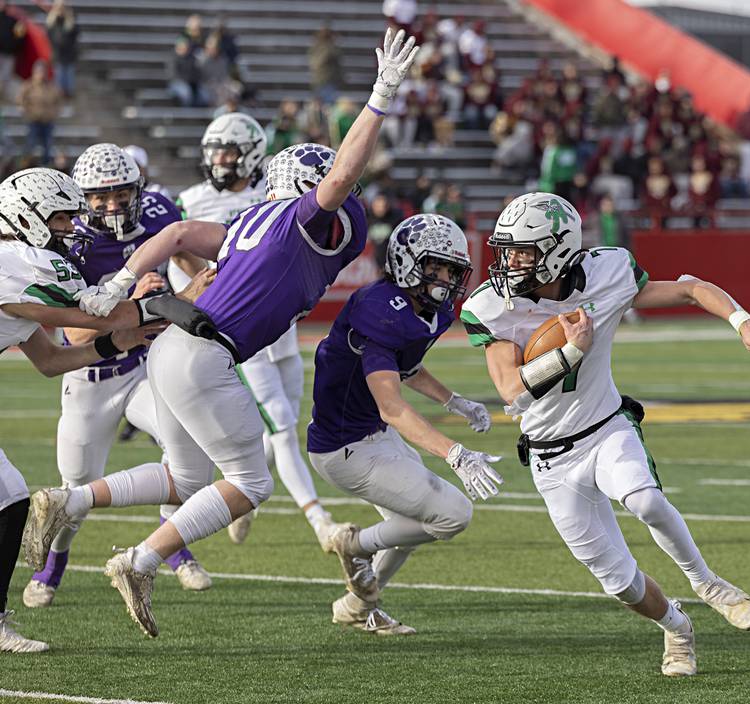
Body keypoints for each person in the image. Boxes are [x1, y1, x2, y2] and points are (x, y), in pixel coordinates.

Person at [23, 27, 420, 639]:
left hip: (173, 348)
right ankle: (141, 560)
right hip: (204, 354)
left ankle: (69, 501)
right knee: (251, 481)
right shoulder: (297, 221)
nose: (347, 199)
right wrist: (381, 95)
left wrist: (121, 282)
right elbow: (340, 177)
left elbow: (179, 238)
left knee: (186, 479)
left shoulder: (249, 223)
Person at [460, 191, 750, 676]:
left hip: (606, 427)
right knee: (623, 586)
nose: (510, 262)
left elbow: (690, 288)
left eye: (524, 252)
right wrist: (571, 352)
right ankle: (677, 627)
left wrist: (742, 320)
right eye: (508, 250)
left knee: (645, 500)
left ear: (560, 249)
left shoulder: (607, 273)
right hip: (550, 459)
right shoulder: (492, 306)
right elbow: (510, 389)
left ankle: (706, 581)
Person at [21, 143, 213, 609]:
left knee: (185, 453)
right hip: (91, 374)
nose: (111, 205)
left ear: (138, 188)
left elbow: (186, 254)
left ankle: (173, 549)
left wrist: (190, 283)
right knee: (74, 490)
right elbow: (71, 327)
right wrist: (141, 305)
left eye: (121, 193)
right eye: (99, 197)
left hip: (145, 366)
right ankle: (53, 567)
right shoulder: (69, 241)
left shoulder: (158, 211)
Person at [307, 214, 500, 634]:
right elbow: (392, 405)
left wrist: (454, 401)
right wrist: (456, 453)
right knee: (451, 514)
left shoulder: (425, 308)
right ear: (411, 263)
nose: (449, 279)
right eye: (440, 267)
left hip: (373, 435)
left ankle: (359, 607)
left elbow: (405, 367)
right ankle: (352, 546)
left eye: (454, 269)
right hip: (346, 448)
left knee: (407, 525)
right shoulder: (380, 310)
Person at [0, 167, 162, 652]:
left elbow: (52, 361)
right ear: (27, 218)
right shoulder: (17, 259)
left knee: (10, 500)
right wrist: (177, 300)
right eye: (62, 218)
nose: (72, 228)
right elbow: (101, 312)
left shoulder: (15, 275)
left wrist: (119, 342)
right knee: (9, 500)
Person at [168, 112, 337, 549]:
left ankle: (247, 498)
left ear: (251, 154)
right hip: (241, 326)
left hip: (282, 326)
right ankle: (320, 521)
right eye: (215, 152)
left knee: (281, 425)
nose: (220, 160)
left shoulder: (277, 188)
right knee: (280, 424)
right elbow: (180, 249)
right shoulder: (190, 199)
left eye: (228, 151)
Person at [17, 59, 62, 165]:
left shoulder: (51, 86)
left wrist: (54, 113)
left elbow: (58, 101)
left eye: (42, 71)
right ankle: (25, 165)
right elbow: (20, 99)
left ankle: (46, 166)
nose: (41, 74)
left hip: (47, 121)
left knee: (47, 146)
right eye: (38, 71)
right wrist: (26, 110)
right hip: (33, 120)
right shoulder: (28, 85)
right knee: (30, 145)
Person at [45, 0, 79, 99]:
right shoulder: (52, 22)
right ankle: (59, 97)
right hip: (58, 55)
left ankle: (68, 97)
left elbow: (74, 36)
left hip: (69, 55)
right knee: (59, 79)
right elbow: (51, 38)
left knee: (69, 79)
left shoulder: (71, 22)